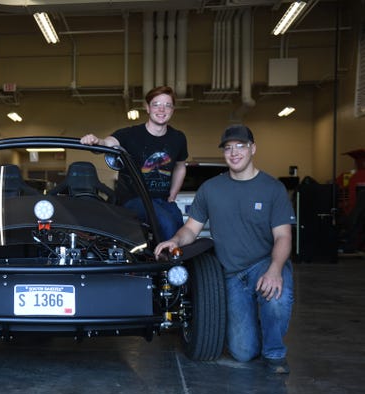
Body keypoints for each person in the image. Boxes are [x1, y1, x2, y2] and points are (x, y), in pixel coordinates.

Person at [154, 125, 296, 374]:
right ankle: (258, 330)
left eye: (240, 146)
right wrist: (175, 241)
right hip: (230, 275)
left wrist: (275, 269)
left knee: (276, 299)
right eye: (228, 148)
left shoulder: (272, 188)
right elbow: (191, 230)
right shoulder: (211, 189)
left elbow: (283, 236)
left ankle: (275, 352)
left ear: (253, 148)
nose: (234, 153)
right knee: (243, 352)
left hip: (264, 263)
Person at [80, 85, 188, 240]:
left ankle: (176, 263)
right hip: (133, 200)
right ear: (147, 108)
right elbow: (107, 144)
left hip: (162, 200)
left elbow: (180, 166)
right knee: (166, 223)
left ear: (173, 109)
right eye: (156, 104)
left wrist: (172, 195)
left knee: (179, 225)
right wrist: (96, 141)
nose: (162, 109)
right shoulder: (129, 134)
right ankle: (166, 264)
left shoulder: (178, 138)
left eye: (167, 105)